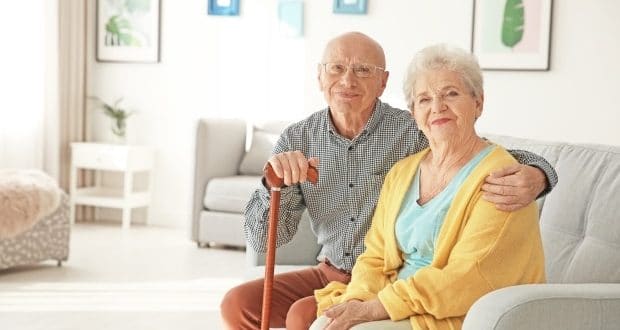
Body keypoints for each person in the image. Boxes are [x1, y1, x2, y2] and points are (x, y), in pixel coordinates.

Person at [220, 32, 556, 330]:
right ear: (319, 77)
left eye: (363, 70)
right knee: (238, 306)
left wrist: (540, 174)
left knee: (302, 316)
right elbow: (264, 240)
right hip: (335, 270)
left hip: (396, 273)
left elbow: (473, 153)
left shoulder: (413, 128)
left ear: (383, 83)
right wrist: (273, 185)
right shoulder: (298, 139)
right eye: (336, 68)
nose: (347, 80)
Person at [309, 43, 545, 330]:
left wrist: (377, 308)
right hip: (398, 300)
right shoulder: (402, 172)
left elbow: (467, 277)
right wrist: (359, 299)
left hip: (456, 312)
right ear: (414, 112)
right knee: (326, 323)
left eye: (451, 94)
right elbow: (374, 255)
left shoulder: (501, 178)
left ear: (478, 103)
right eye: (424, 99)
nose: (437, 107)